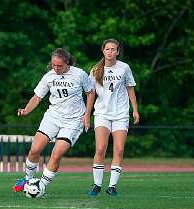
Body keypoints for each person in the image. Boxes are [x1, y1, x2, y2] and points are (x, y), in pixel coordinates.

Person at [12, 48, 94, 196]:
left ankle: (41, 186)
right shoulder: (49, 77)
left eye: (59, 66)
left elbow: (90, 92)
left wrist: (87, 115)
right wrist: (26, 110)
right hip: (53, 117)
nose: (55, 68)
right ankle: (27, 179)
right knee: (35, 149)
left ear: (67, 62)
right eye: (53, 65)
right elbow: (37, 97)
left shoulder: (80, 74)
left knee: (56, 154)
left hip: (73, 120)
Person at [87, 39, 139, 196]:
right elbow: (91, 94)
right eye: (107, 49)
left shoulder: (124, 68)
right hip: (102, 114)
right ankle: (97, 185)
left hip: (121, 114)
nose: (110, 51)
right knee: (100, 148)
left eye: (113, 49)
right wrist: (86, 115)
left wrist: (135, 110)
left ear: (118, 52)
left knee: (119, 149)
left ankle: (112, 187)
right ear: (103, 51)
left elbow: (130, 89)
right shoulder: (96, 70)